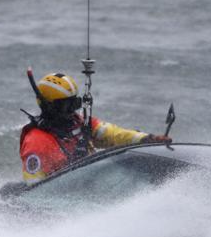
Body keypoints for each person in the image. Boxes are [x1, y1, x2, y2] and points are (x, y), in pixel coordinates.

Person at [19, 71, 171, 184]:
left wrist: (147, 139)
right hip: (67, 197)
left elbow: (114, 135)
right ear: (50, 106)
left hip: (91, 184)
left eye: (75, 103)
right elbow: (35, 187)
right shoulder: (36, 142)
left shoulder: (80, 123)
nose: (73, 110)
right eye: (67, 105)